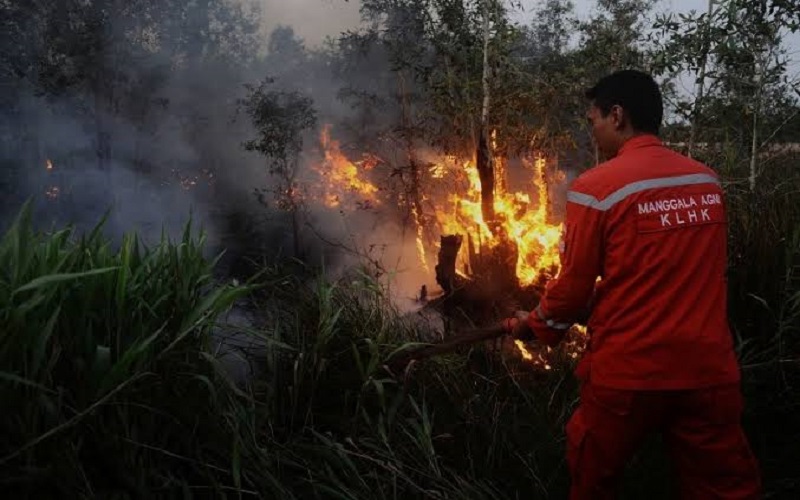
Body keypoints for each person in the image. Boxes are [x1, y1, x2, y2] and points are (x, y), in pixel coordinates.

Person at [502, 70, 762, 499]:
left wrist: (535, 325)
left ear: (617, 115)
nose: (595, 132)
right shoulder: (706, 183)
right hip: (707, 372)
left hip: (629, 374)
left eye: (594, 121)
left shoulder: (596, 188)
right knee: (725, 487)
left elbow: (571, 292)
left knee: (594, 479)